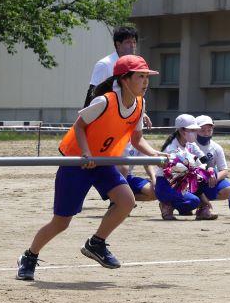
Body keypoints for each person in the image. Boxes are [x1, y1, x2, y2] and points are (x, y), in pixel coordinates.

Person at [16, 55, 164, 281]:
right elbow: (79, 127)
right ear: (125, 79)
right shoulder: (105, 101)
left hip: (103, 162)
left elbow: (136, 139)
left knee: (126, 201)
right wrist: (85, 153)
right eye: (140, 76)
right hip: (77, 162)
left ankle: (96, 243)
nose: (145, 82)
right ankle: (29, 256)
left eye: (147, 77)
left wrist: (154, 153)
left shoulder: (140, 104)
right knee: (61, 222)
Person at [83, 26, 152, 129]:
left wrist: (142, 112)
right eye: (128, 42)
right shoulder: (105, 64)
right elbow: (92, 95)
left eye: (134, 42)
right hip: (107, 119)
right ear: (118, 44)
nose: (132, 46)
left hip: (126, 118)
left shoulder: (135, 65)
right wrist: (86, 124)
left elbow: (133, 92)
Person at [155, 114, 218, 221]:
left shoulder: (190, 144)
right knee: (194, 200)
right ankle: (166, 204)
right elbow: (179, 174)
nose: (195, 133)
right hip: (167, 184)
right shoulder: (172, 149)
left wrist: (210, 170)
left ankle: (198, 208)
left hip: (182, 182)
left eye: (195, 129)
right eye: (192, 130)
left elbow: (204, 160)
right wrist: (202, 196)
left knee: (211, 171)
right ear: (181, 130)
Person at [195, 115, 230, 201]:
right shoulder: (190, 145)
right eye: (202, 130)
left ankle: (204, 199)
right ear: (195, 130)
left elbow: (224, 170)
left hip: (210, 181)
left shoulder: (216, 148)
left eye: (209, 130)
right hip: (192, 179)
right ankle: (196, 199)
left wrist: (214, 178)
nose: (206, 133)